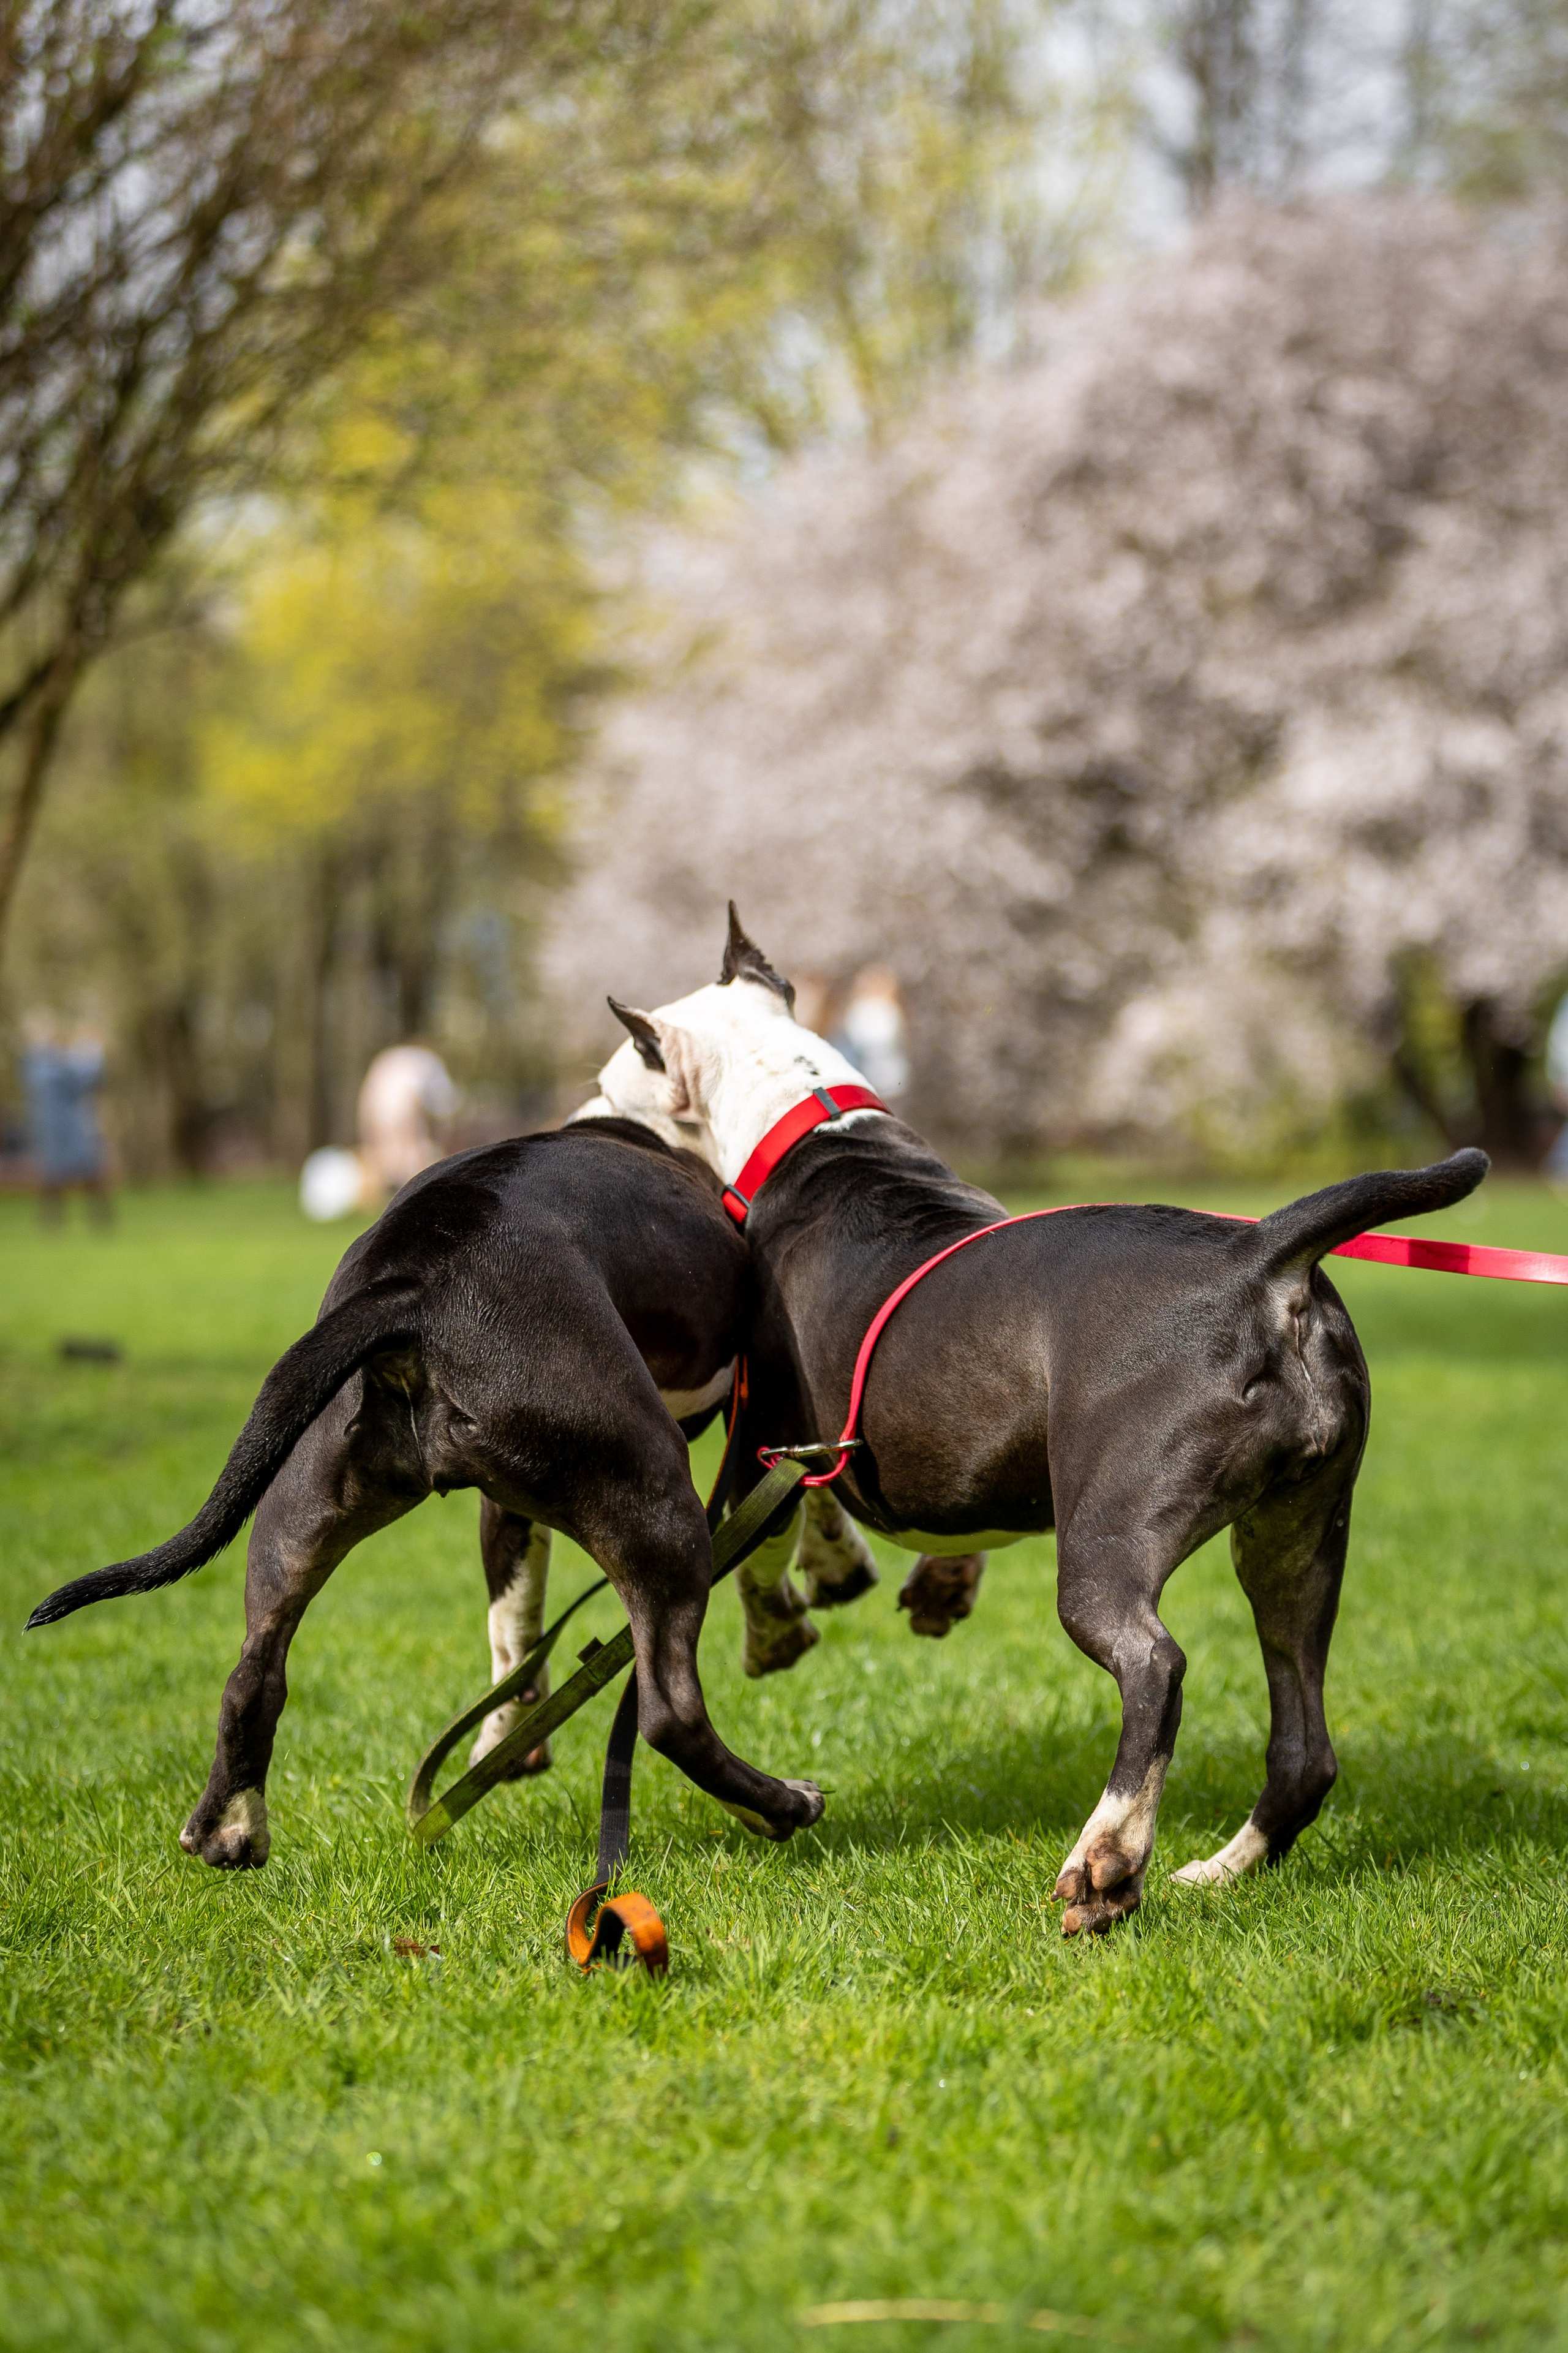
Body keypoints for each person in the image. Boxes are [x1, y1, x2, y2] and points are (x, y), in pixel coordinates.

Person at [21, 1012, 111, 1225]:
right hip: (57, 1127)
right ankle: (54, 1222)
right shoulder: (41, 1064)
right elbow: (79, 1079)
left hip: (66, 1125)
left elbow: (83, 1080)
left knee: (84, 1171)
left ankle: (98, 1221)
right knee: (59, 1173)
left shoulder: (50, 1062)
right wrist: (92, 1052)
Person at [356, 1041, 459, 1197]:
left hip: (385, 1110)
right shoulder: (427, 1063)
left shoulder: (395, 1061)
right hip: (400, 1111)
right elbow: (440, 1110)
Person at [832, 965, 911, 1103]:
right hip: (877, 1078)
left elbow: (871, 1043)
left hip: (879, 1079)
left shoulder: (878, 1010)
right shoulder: (873, 1009)